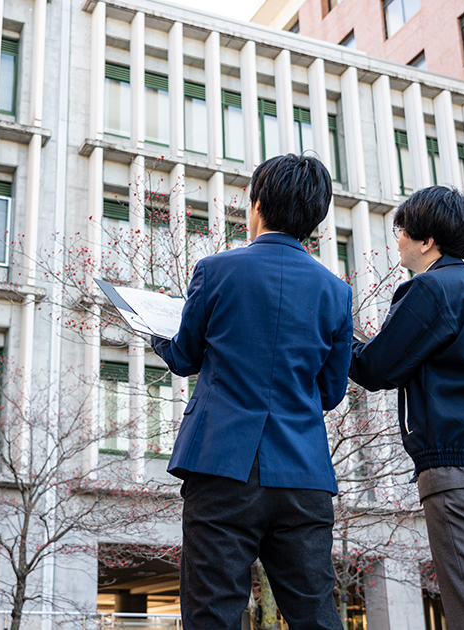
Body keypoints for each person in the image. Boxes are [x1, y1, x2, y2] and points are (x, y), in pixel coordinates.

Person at [151, 153, 352, 629]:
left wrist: (156, 333)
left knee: (212, 613)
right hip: (303, 474)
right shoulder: (336, 291)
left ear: (256, 204)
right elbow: (330, 391)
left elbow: (183, 357)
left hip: (221, 464)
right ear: (315, 219)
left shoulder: (216, 270)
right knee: (316, 614)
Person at [349, 186, 464, 630]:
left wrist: (331, 332)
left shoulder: (432, 289)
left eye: (401, 231)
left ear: (426, 240)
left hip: (461, 479)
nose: (396, 239)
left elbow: (376, 368)